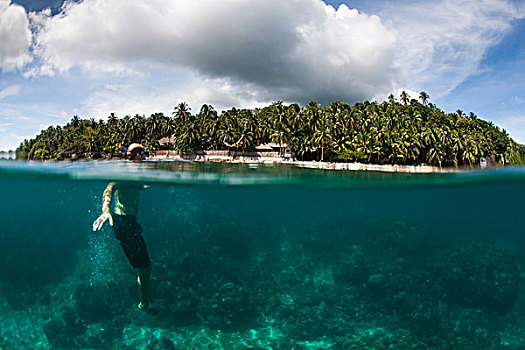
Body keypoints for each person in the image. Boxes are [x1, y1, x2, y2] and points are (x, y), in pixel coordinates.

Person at [92, 143, 152, 309]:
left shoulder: (136, 173)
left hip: (128, 223)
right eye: (140, 154)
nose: (143, 157)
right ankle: (143, 304)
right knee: (144, 268)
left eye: (144, 153)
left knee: (144, 268)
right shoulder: (122, 173)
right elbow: (108, 190)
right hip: (123, 222)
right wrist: (105, 211)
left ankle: (143, 301)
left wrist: (143, 185)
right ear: (133, 156)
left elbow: (136, 187)